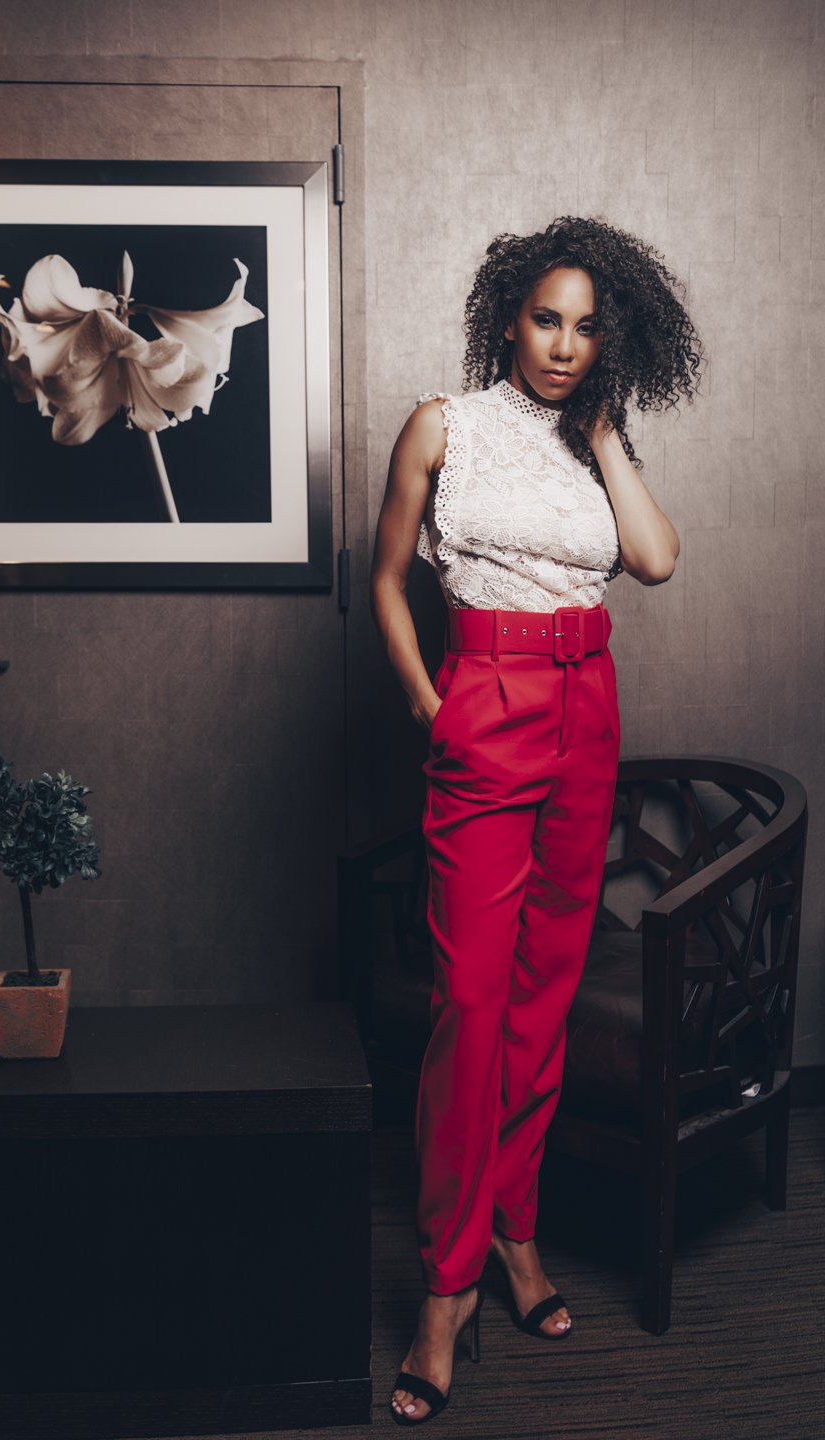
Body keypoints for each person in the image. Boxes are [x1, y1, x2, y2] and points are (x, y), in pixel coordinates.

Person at [370, 216, 703, 1425]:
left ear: (611, 340)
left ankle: (517, 1230)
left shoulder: (596, 438)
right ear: (508, 318)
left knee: (541, 996)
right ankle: (445, 1285)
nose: (563, 345)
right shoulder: (444, 426)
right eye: (546, 319)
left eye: (587, 328)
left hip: (587, 712)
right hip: (488, 702)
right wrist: (432, 705)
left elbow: (655, 561)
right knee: (468, 1001)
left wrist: (604, 434)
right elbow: (386, 579)